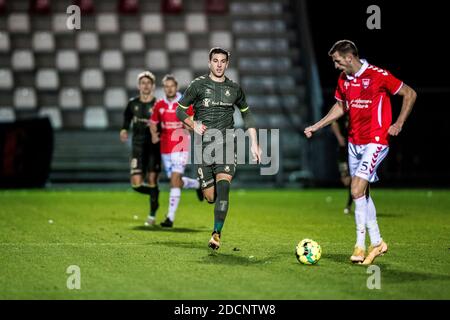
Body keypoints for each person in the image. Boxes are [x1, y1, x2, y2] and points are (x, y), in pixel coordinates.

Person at [304, 40, 416, 265]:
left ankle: (359, 245)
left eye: (337, 61)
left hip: (376, 141)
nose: (335, 66)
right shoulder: (344, 79)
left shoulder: (378, 75)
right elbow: (340, 106)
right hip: (354, 143)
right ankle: (378, 242)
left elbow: (410, 93)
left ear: (348, 58)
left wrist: (399, 123)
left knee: (356, 189)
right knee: (362, 194)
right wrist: (317, 125)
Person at [175, 47, 262, 250]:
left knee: (224, 189)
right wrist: (193, 123)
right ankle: (199, 185)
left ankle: (216, 234)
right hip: (203, 147)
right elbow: (179, 110)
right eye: (215, 61)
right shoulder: (198, 85)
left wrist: (255, 144)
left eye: (223, 61)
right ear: (209, 63)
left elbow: (247, 115)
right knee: (210, 197)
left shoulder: (235, 89)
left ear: (227, 64)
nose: (219, 64)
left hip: (226, 145)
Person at [149, 74, 204, 228]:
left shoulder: (185, 104)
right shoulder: (160, 105)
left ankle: (170, 218)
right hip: (165, 148)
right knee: (176, 182)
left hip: (180, 146)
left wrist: (189, 126)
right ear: (164, 88)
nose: (169, 89)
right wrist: (154, 134)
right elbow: (153, 123)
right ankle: (196, 184)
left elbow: (193, 122)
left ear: (176, 87)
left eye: (172, 86)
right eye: (166, 86)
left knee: (174, 180)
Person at [120, 71, 161, 224]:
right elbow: (126, 118)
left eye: (148, 83)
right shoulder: (132, 104)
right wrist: (124, 129)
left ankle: (151, 215)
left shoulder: (158, 105)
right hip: (137, 147)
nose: (145, 85)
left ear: (153, 86)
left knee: (152, 179)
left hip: (153, 148)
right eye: (143, 83)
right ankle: (154, 194)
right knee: (136, 184)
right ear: (139, 86)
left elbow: (163, 125)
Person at [330, 116, 353, 214]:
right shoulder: (343, 109)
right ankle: (352, 202)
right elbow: (333, 122)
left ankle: (350, 204)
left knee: (356, 179)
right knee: (346, 180)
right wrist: (339, 137)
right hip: (343, 150)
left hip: (357, 148)